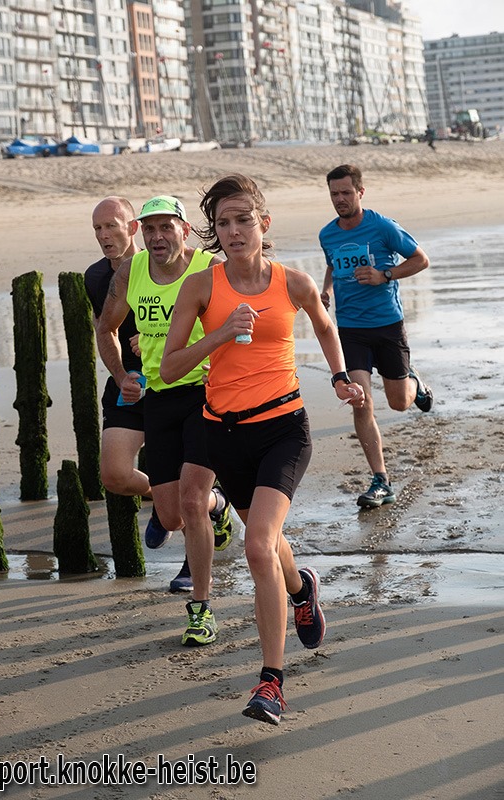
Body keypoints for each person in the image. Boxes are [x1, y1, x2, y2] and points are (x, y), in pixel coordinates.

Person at [160, 174, 364, 725]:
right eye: (223, 223)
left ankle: (271, 683)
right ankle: (301, 589)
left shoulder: (292, 282)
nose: (233, 231)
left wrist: (341, 377)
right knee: (267, 542)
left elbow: (325, 325)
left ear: (263, 224)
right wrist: (221, 333)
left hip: (282, 431)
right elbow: (170, 367)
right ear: (214, 231)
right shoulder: (200, 288)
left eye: (243, 220)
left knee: (256, 546)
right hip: (225, 435)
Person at [96, 194, 232, 644]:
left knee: (191, 502)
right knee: (172, 516)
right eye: (150, 228)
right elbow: (106, 327)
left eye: (166, 227)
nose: (158, 237)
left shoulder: (210, 269)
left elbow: (240, 328)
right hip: (158, 396)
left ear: (184, 229)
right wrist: (121, 376)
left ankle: (201, 610)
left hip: (205, 395)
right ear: (141, 232)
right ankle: (220, 506)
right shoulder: (130, 272)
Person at [86, 195, 190, 592]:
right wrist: (120, 375)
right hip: (129, 382)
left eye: (111, 226)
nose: (104, 235)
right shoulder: (96, 277)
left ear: (133, 229)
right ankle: (161, 501)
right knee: (113, 474)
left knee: (186, 483)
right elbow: (104, 330)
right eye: (97, 228)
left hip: (176, 382)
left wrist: (155, 343)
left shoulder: (169, 266)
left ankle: (191, 562)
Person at [319, 164, 433, 510]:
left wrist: (385, 275)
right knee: (361, 401)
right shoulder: (327, 234)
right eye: (334, 194)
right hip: (351, 329)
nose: (340, 199)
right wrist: (326, 291)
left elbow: (420, 260)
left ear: (360, 192)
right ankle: (381, 480)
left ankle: (414, 382)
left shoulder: (382, 227)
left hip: (387, 325)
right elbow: (332, 264)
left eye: (346, 193)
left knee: (398, 402)